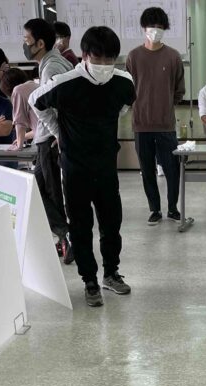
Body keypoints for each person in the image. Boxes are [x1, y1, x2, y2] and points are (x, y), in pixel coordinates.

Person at [30, 25, 136, 308]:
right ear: (85, 55)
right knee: (81, 226)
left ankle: (111, 273)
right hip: (75, 167)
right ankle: (89, 280)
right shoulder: (66, 82)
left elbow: (124, 106)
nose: (104, 64)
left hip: (106, 166)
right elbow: (35, 101)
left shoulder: (123, 81)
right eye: (98, 58)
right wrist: (58, 131)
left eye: (110, 59)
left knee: (111, 223)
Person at [126, 6, 184, 226]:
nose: (155, 30)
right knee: (147, 170)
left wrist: (165, 105)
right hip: (141, 125)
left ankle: (173, 208)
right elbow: (127, 89)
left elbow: (179, 90)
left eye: (160, 26)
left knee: (172, 169)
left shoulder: (173, 56)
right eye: (151, 26)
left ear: (165, 28)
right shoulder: (133, 57)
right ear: (144, 28)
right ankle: (155, 209)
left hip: (166, 125)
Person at [24, 18, 73, 262]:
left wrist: (58, 134)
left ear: (40, 43)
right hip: (49, 138)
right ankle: (64, 236)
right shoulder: (55, 62)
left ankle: (67, 236)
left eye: (27, 40)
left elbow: (47, 106)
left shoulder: (51, 67)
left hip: (49, 141)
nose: (25, 45)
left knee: (51, 194)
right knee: (34, 189)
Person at [0, 67, 38, 150]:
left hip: (46, 141)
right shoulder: (35, 85)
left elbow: (20, 122)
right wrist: (24, 137)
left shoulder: (18, 90)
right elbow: (39, 128)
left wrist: (19, 145)